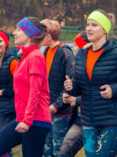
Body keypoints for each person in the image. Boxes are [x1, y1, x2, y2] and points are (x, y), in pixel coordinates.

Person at [64, 10, 117, 157]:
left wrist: (114, 89)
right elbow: (80, 86)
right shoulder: (81, 55)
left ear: (104, 29)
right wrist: (71, 88)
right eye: (87, 25)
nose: (88, 28)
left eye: (94, 25)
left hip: (112, 120)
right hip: (88, 121)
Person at [0, 17, 51, 157]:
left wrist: (27, 121)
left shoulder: (35, 57)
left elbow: (35, 93)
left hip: (36, 121)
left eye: (18, 30)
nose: (14, 33)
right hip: (23, 118)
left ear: (29, 34)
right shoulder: (25, 56)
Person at [40, 19, 75, 157]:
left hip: (60, 112)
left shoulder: (65, 53)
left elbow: (70, 83)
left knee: (58, 151)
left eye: (41, 34)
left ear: (48, 36)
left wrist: (56, 105)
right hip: (45, 110)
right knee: (46, 150)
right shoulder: (45, 52)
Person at [58, 31, 90, 157]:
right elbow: (78, 89)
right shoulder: (78, 66)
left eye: (76, 46)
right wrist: (70, 90)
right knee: (63, 154)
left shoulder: (96, 66)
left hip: (96, 120)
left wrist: (76, 99)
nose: (74, 48)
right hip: (80, 119)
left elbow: (96, 94)